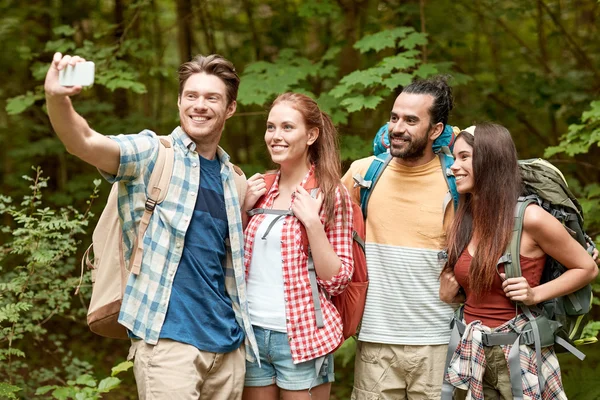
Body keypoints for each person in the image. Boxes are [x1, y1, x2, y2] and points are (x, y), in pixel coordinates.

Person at [44, 52, 259, 399]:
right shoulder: (152, 154)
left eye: (212, 98)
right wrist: (57, 98)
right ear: (179, 102)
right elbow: (83, 141)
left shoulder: (234, 181)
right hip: (168, 343)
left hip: (229, 350)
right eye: (191, 96)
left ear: (230, 109)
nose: (199, 105)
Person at [439, 123, 598, 399]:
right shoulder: (464, 217)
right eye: (454, 158)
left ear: (490, 159)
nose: (453, 166)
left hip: (519, 354)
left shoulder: (530, 218)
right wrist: (448, 292)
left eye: (464, 157)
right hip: (472, 354)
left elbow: (587, 267)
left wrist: (535, 293)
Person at [341, 76, 457, 399]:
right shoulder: (363, 175)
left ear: (436, 130)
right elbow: (322, 229)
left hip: (437, 340)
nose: (397, 128)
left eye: (410, 120)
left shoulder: (456, 180)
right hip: (376, 340)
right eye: (394, 118)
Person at [241, 92, 354, 400]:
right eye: (270, 127)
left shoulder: (331, 193)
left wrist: (314, 226)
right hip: (251, 335)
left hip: (302, 337)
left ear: (311, 135)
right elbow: (231, 261)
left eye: (287, 127)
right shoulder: (259, 190)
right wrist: (242, 209)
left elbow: (339, 279)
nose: (275, 136)